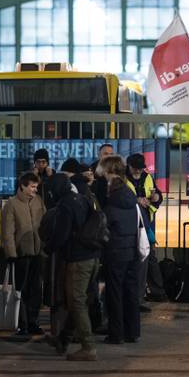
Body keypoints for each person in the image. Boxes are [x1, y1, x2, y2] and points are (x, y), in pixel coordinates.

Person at [45, 172, 102, 360]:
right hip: (92, 257)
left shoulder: (65, 205)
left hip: (78, 260)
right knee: (76, 300)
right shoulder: (82, 199)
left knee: (76, 302)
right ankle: (63, 339)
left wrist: (49, 247)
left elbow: (61, 235)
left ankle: (88, 346)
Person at [98, 155, 142, 341]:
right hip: (132, 249)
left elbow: (107, 224)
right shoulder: (129, 193)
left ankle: (116, 333)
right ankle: (132, 332)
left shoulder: (113, 196)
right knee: (130, 292)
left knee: (115, 293)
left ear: (109, 171)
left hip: (115, 251)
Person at [0, 172, 47, 336]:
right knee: (21, 290)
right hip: (21, 254)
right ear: (23, 186)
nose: (35, 189)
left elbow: (45, 224)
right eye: (32, 186)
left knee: (35, 289)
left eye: (36, 186)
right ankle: (22, 323)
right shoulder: (11, 204)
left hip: (37, 252)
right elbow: (8, 231)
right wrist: (11, 253)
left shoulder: (38, 201)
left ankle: (33, 322)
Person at [126, 153, 165, 306]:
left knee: (149, 256)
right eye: (135, 169)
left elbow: (156, 194)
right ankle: (137, 296)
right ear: (128, 166)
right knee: (138, 259)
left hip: (146, 222)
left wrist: (156, 198)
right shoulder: (121, 178)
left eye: (140, 169)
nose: (138, 172)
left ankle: (156, 292)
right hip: (130, 223)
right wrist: (135, 200)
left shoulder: (147, 177)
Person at [91, 143, 115, 208]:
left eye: (111, 154)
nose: (109, 157)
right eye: (106, 154)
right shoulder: (91, 170)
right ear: (99, 155)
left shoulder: (118, 170)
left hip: (113, 209)